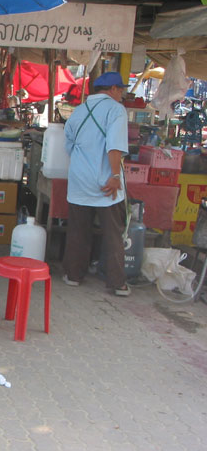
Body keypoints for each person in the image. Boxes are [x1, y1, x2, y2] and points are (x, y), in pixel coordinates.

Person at [63, 71, 130, 296]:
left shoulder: (78, 111)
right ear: (112, 89)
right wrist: (114, 176)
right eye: (121, 89)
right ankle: (117, 283)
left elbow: (69, 144)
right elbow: (115, 146)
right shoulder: (116, 110)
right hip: (105, 180)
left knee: (78, 230)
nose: (122, 93)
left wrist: (84, 163)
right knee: (113, 233)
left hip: (79, 179)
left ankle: (73, 275)